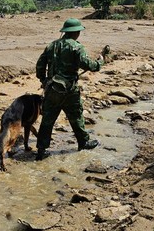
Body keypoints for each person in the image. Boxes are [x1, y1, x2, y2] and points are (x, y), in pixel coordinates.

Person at [35, 18, 104, 160]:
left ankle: (41, 150)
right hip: (70, 91)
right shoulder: (77, 47)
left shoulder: (51, 46)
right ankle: (83, 142)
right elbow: (89, 65)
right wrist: (100, 61)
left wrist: (44, 80)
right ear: (76, 32)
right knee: (76, 116)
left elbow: (39, 66)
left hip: (52, 89)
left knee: (47, 120)